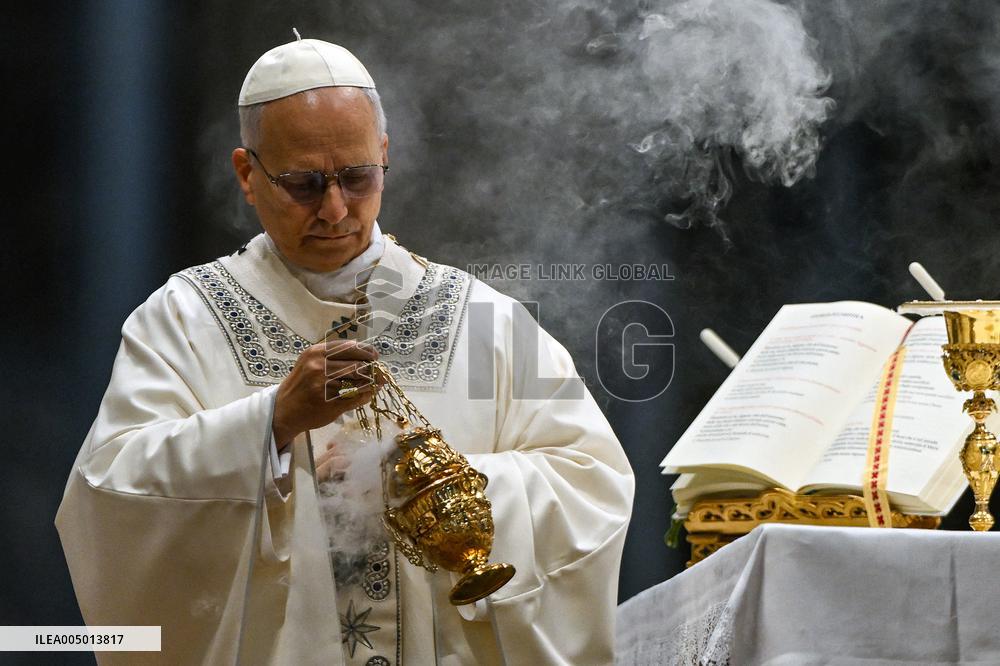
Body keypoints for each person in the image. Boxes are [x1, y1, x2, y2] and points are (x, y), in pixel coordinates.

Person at [56, 34, 634, 666]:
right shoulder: (184, 320)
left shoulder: (482, 321)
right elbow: (111, 495)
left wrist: (438, 488)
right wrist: (269, 425)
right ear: (248, 174)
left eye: (357, 177)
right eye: (304, 184)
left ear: (384, 155)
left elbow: (592, 487)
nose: (335, 210)